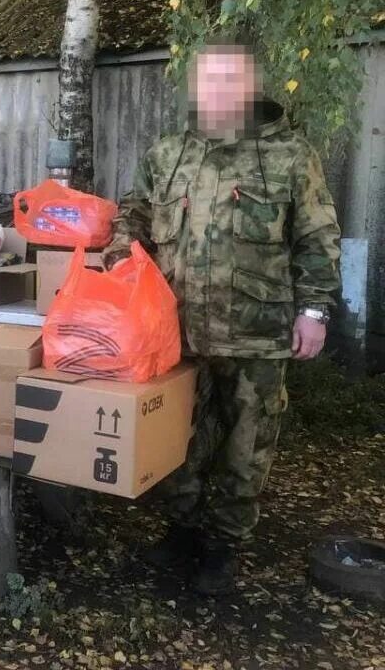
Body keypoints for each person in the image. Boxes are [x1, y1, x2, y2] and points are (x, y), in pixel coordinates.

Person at [104, 38, 342, 595]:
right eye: (208, 80)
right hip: (176, 331)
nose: (218, 92)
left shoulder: (289, 155)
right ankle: (182, 530)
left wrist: (314, 311)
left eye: (230, 80)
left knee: (246, 449)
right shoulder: (169, 153)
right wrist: (121, 258)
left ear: (251, 86)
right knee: (174, 440)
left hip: (256, 333)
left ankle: (222, 548)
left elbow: (318, 237)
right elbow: (135, 212)